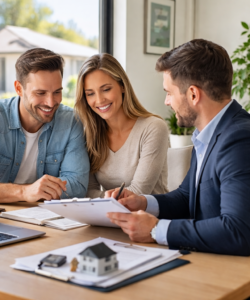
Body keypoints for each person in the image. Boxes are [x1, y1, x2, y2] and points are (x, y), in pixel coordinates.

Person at [106, 39, 250, 256]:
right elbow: (186, 196)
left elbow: (238, 231)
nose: (167, 101)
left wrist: (156, 230)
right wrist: (142, 203)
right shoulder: (208, 134)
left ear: (193, 94)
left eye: (169, 92)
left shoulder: (239, 139)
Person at [0, 48, 89, 203]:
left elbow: (77, 186)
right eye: (40, 93)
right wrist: (24, 192)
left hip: (45, 218)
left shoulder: (71, 122)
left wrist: (36, 192)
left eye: (57, 92)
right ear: (18, 88)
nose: (51, 103)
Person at [74, 53, 169, 198]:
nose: (99, 100)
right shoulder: (90, 134)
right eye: (90, 93)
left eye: (106, 89)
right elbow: (88, 191)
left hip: (150, 217)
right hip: (107, 217)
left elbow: (139, 192)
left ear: (122, 86)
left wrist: (104, 198)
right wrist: (107, 198)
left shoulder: (153, 128)